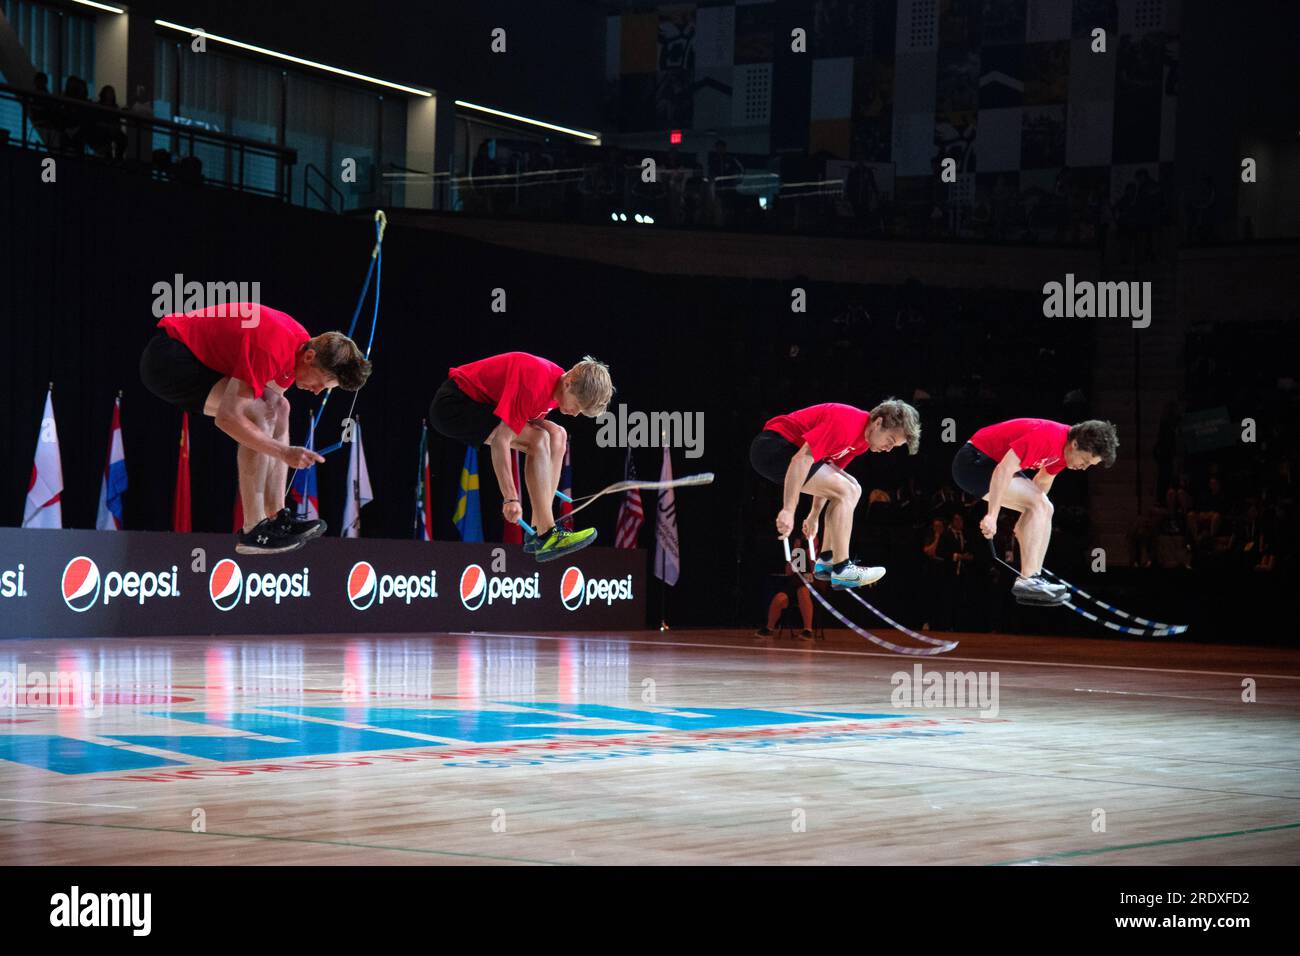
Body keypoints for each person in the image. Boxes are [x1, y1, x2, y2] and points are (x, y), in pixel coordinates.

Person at [140, 302, 371, 554]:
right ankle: (253, 530)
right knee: (258, 415)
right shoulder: (272, 348)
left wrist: (281, 451)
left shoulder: (298, 346)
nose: (317, 392)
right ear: (309, 357)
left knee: (280, 407)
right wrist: (283, 453)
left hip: (195, 359)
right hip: (167, 359)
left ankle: (277, 517)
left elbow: (274, 408)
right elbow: (229, 418)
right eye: (321, 383)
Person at [429, 352, 614, 562]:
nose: (575, 413)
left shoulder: (556, 388)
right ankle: (546, 533)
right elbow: (501, 441)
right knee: (538, 440)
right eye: (577, 406)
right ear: (569, 383)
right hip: (453, 405)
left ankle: (539, 528)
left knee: (558, 435)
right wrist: (510, 498)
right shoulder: (535, 382)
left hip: (481, 405)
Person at [749, 399, 921, 590]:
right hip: (772, 448)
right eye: (889, 441)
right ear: (878, 422)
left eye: (894, 447)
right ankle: (842, 568)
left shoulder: (863, 442)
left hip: (789, 451)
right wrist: (788, 509)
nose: (888, 449)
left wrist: (814, 515)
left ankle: (827, 560)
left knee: (853, 488)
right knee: (846, 490)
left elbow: (830, 476)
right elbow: (801, 459)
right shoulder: (847, 424)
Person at [950, 417, 1118, 604]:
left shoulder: (1065, 452)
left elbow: (1041, 484)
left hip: (991, 464)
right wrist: (992, 515)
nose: (1084, 467)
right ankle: (1028, 579)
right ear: (1075, 444)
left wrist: (1028, 517)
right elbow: (1003, 470)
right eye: (1085, 460)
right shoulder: (1048, 437)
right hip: (973, 463)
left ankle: (1033, 577)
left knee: (1045, 507)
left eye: (1089, 465)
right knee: (1043, 505)